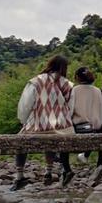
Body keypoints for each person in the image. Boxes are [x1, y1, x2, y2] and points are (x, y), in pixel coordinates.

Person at [13, 55, 75, 189]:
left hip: (39, 124)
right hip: (62, 127)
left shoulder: (36, 81)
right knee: (52, 139)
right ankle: (48, 171)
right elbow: (71, 106)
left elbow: (25, 105)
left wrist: (23, 120)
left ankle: (20, 176)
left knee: (20, 142)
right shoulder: (68, 84)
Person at [71, 66, 102, 165]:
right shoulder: (97, 90)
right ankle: (87, 157)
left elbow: (70, 110)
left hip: (78, 128)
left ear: (77, 77)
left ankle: (65, 169)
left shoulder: (75, 90)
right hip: (95, 128)